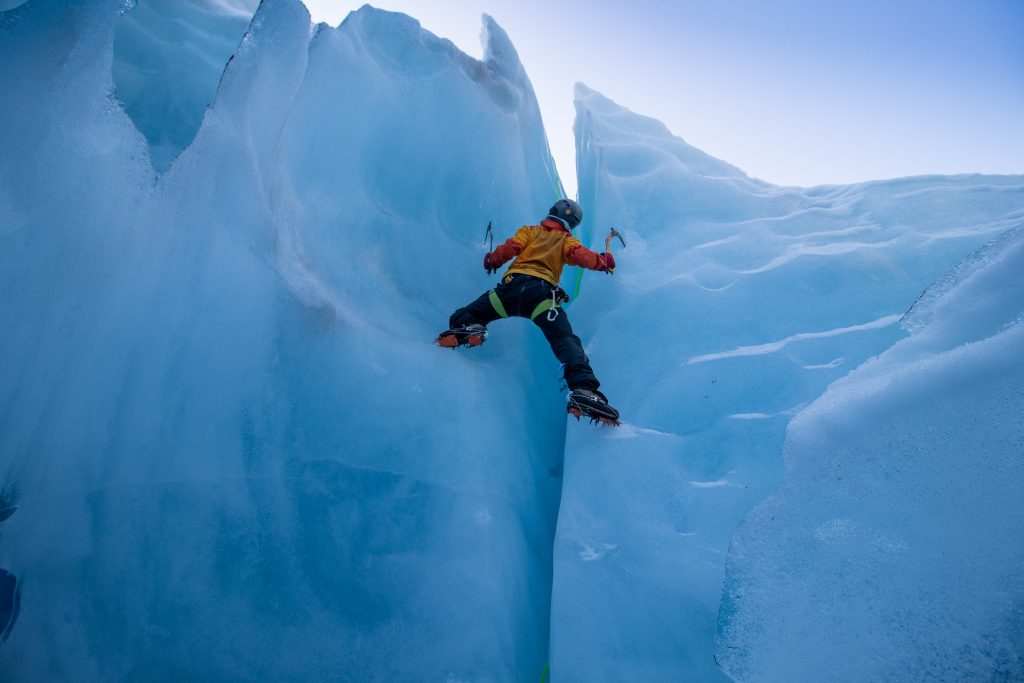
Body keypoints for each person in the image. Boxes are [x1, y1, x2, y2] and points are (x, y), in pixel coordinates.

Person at [437, 199, 620, 424]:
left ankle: (471, 328)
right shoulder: (565, 240)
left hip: (508, 293)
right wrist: (604, 262)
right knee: (564, 339)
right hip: (541, 297)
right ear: (572, 222)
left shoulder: (530, 231)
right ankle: (584, 390)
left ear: (552, 213)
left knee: (464, 314)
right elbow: (580, 255)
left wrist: (492, 260)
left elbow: (512, 246)